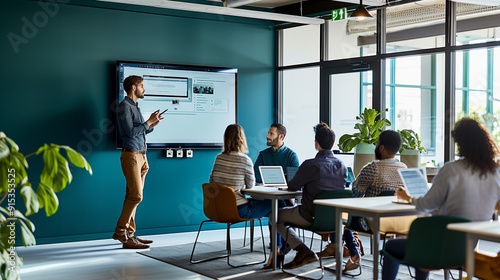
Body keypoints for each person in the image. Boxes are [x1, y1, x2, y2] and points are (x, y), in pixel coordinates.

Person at [382, 118, 500, 280]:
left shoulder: (451, 170)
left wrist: (407, 197)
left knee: (391, 245)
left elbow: (425, 205)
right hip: (466, 252)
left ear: (460, 143)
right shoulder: (496, 173)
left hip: (437, 247)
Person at [276, 122, 361, 270]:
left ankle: (303, 250)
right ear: (333, 143)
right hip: (336, 219)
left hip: (310, 217)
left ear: (316, 143)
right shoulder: (342, 166)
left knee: (275, 216)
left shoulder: (310, 165)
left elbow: (292, 187)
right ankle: (329, 248)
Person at [209, 124, 281, 269]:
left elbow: (212, 181)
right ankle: (278, 250)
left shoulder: (218, 158)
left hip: (218, 209)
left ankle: (281, 247)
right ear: (241, 139)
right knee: (277, 206)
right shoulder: (244, 160)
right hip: (239, 210)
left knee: (277, 207)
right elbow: (250, 186)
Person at [113, 75, 164, 249]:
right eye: (142, 86)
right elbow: (128, 132)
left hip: (142, 156)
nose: (144, 89)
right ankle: (121, 232)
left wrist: (151, 124)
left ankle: (130, 234)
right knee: (136, 196)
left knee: (132, 196)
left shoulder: (135, 107)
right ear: (133, 87)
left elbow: (138, 132)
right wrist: (147, 123)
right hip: (132, 156)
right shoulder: (123, 107)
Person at [348, 130, 408, 232]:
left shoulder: (372, 168)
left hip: (371, 222)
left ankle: (346, 246)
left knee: (340, 216)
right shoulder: (404, 168)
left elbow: (355, 196)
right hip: (396, 221)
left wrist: (355, 183)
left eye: (377, 144)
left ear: (381, 148)